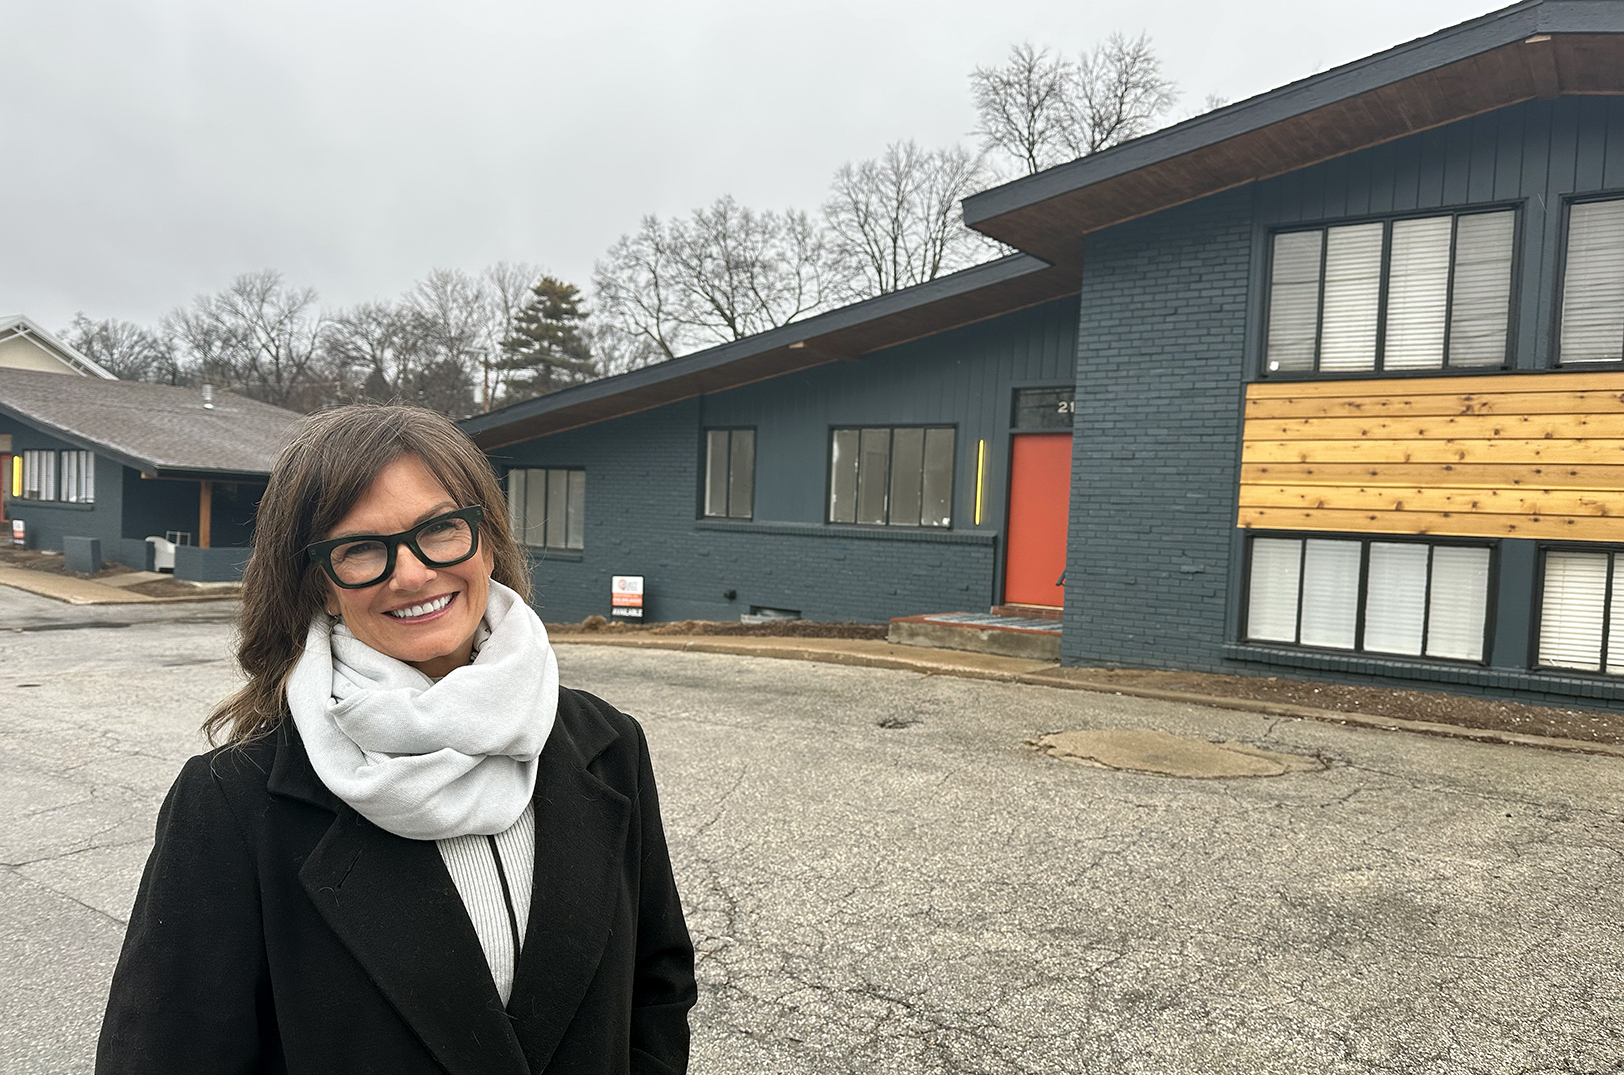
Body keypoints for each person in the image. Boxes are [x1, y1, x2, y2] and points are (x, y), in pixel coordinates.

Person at [96, 404, 696, 1075]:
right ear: (320, 585)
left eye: (439, 528)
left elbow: (657, 981)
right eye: (360, 547)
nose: (410, 574)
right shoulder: (231, 804)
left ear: (487, 540)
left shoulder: (609, 745)